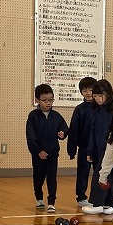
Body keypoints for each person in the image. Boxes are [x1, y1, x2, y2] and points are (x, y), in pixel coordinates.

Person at [26, 83, 68, 213]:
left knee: (52, 178)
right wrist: (38, 151)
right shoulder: (33, 116)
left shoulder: (56, 116)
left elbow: (64, 128)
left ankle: (51, 202)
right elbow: (30, 137)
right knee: (38, 177)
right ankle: (39, 199)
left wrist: (62, 134)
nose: (48, 103)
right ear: (37, 100)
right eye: (44, 100)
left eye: (51, 100)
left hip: (53, 153)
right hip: (38, 154)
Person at [81, 79, 113, 216]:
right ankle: (110, 204)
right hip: (97, 149)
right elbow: (93, 131)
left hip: (110, 149)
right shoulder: (96, 110)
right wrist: (90, 150)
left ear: (108, 94)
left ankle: (97, 204)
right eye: (95, 96)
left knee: (101, 174)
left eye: (99, 95)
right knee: (106, 175)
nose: (97, 98)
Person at [67, 76, 97, 205]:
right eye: (85, 91)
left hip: (100, 147)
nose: (88, 93)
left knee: (100, 173)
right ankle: (81, 197)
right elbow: (74, 130)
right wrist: (71, 149)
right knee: (82, 173)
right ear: (81, 93)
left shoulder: (102, 108)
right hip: (84, 147)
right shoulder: (80, 109)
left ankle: (98, 198)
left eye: (91, 90)